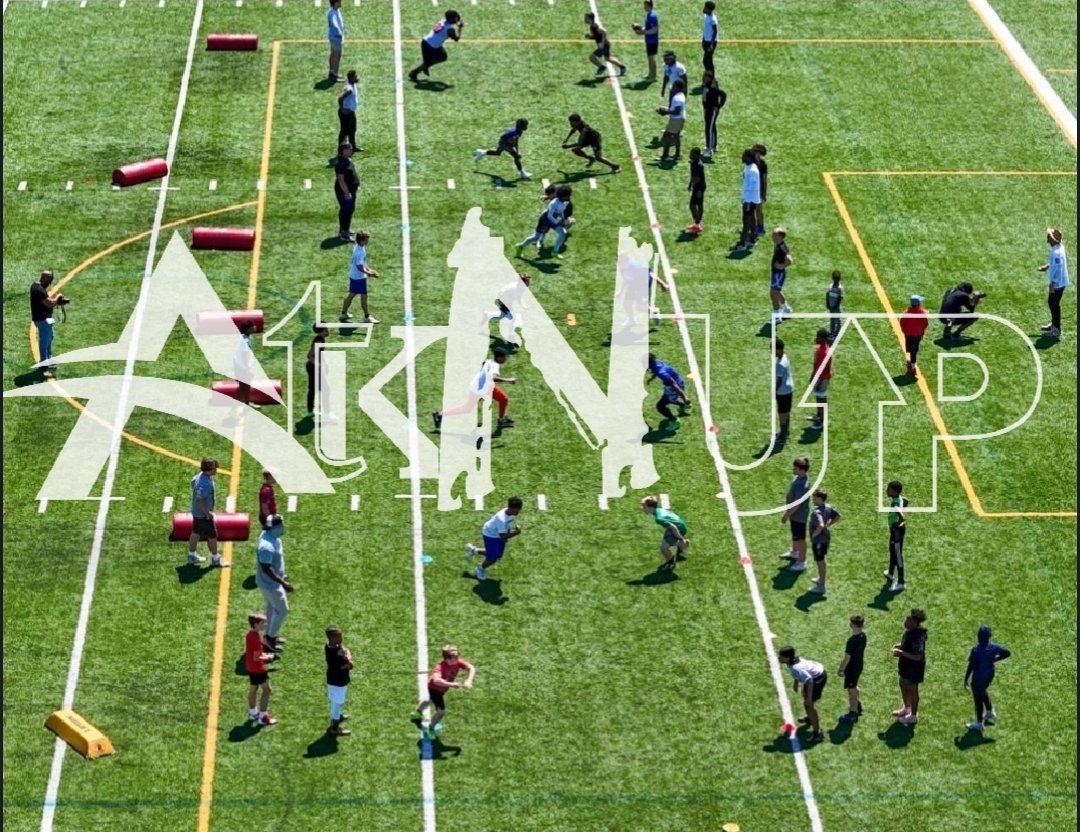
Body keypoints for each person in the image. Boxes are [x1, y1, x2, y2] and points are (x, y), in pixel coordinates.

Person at [433, 348, 517, 431]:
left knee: (503, 399)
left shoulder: (489, 361)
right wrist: (509, 380)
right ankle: (440, 415)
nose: (505, 359)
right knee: (467, 408)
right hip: (480, 388)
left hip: (483, 386)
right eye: (504, 357)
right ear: (499, 358)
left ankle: (501, 419)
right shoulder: (495, 365)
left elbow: (484, 363)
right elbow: (494, 378)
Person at [414, 644, 476, 740]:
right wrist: (452, 684)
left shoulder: (457, 662)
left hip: (442, 689)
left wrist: (469, 680)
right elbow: (436, 681)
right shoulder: (440, 667)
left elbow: (471, 667)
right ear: (448, 658)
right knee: (441, 711)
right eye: (455, 656)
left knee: (430, 700)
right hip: (435, 689)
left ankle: (417, 713)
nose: (457, 657)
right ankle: (430, 728)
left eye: (457, 655)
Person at [964, 624, 1011, 731]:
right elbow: (1007, 653)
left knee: (978, 699)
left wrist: (966, 678)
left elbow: (971, 665)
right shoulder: (994, 647)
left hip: (979, 677)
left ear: (979, 636)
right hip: (989, 675)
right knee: (982, 690)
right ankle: (990, 712)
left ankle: (979, 723)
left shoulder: (976, 649)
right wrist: (995, 660)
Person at [255, 515, 291, 653]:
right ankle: (269, 639)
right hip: (270, 584)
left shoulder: (270, 537)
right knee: (282, 610)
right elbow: (266, 568)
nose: (282, 527)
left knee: (272, 607)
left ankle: (270, 635)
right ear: (274, 528)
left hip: (270, 582)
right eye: (280, 525)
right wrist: (283, 582)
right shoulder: (266, 547)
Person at [465, 496, 524, 581]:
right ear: (510, 508)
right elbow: (502, 536)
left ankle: (473, 550)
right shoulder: (501, 519)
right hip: (490, 534)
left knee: (498, 555)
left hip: (498, 534)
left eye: (519, 509)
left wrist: (512, 531)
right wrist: (515, 532)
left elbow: (506, 527)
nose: (518, 512)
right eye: (517, 510)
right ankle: (480, 568)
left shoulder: (511, 513)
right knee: (493, 557)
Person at [777, 646, 827, 743]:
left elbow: (809, 680)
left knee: (808, 705)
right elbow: (801, 674)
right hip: (816, 673)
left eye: (781, 656)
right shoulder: (793, 660)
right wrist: (796, 682)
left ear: (787, 658)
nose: (779, 658)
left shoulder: (796, 667)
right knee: (806, 699)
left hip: (817, 678)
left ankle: (818, 733)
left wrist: (809, 697)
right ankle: (809, 718)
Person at [188, 457, 228, 568]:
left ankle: (191, 556)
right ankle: (215, 559)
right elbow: (200, 499)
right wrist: (207, 513)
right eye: (215, 468)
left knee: (196, 532)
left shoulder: (200, 476)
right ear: (209, 469)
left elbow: (192, 482)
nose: (217, 470)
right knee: (212, 535)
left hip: (197, 511)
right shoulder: (205, 482)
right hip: (202, 514)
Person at [891, 608, 927, 726]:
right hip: (906, 666)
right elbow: (907, 645)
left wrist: (902, 653)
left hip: (914, 668)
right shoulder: (909, 632)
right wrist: (899, 646)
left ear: (915, 623)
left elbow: (918, 657)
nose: (906, 621)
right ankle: (906, 708)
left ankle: (913, 715)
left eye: (908, 620)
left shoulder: (918, 637)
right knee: (902, 683)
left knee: (912, 689)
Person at [408, 10, 464, 82]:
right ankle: (414, 73)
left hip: (430, 43)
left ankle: (425, 66)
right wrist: (460, 28)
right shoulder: (450, 29)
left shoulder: (443, 21)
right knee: (429, 63)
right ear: (451, 19)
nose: (457, 19)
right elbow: (456, 39)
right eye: (455, 18)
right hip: (430, 46)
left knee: (443, 57)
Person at [517, 185, 572, 257]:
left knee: (563, 233)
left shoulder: (565, 202)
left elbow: (561, 211)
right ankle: (520, 246)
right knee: (535, 237)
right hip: (545, 220)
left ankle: (555, 252)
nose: (569, 197)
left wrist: (563, 219)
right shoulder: (553, 203)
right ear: (562, 196)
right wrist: (557, 222)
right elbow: (549, 216)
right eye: (567, 195)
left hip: (553, 220)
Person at [340, 230, 381, 324]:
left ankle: (343, 313)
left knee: (351, 295)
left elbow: (362, 264)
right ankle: (367, 317)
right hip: (359, 278)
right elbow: (359, 267)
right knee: (363, 297)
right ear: (362, 240)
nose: (368, 241)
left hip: (354, 276)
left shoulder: (359, 247)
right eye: (367, 239)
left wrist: (369, 269)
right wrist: (369, 273)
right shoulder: (360, 252)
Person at [641, 495, 690, 572]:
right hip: (680, 524)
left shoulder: (659, 518)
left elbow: (673, 527)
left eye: (644, 507)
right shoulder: (659, 510)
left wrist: (680, 538)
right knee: (668, 542)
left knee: (664, 548)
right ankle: (683, 544)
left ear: (650, 507)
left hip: (677, 527)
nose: (643, 509)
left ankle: (670, 563)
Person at [245, 613, 278, 726]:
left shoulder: (250, 634)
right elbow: (257, 657)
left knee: (253, 688)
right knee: (267, 690)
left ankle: (252, 713)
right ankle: (263, 717)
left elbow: (255, 653)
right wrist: (269, 657)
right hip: (257, 669)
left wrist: (264, 653)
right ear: (256, 624)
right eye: (263, 623)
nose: (266, 624)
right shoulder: (255, 637)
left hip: (250, 667)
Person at [30, 270, 66, 374]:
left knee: (49, 338)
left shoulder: (35, 286)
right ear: (46, 279)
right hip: (42, 320)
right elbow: (49, 304)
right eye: (49, 281)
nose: (49, 283)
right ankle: (43, 363)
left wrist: (54, 300)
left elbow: (46, 300)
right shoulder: (39, 290)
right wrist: (58, 297)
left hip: (43, 319)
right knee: (44, 341)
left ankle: (48, 360)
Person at [779, 456, 811, 571]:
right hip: (795, 515)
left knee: (800, 539)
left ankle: (802, 562)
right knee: (795, 536)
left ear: (802, 470)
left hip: (799, 516)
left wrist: (786, 515)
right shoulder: (798, 478)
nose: (793, 470)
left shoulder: (802, 485)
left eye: (795, 468)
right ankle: (794, 552)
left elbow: (797, 505)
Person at [807, 488, 840, 595]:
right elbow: (838, 516)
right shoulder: (828, 507)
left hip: (819, 541)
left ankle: (821, 586)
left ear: (819, 498)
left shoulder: (816, 512)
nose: (813, 499)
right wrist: (829, 525)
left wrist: (814, 534)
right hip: (826, 539)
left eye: (814, 497)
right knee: (821, 560)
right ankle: (820, 579)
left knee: (820, 562)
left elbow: (820, 525)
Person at [1037, 227, 1069, 337]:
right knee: (1053, 304)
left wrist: (1053, 284)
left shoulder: (1056, 252)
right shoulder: (1059, 247)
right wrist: (1047, 267)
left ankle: (1056, 329)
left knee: (1053, 304)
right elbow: (1056, 264)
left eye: (1048, 237)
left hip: (1058, 284)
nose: (1047, 239)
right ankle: (1054, 325)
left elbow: (1058, 267)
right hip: (1059, 282)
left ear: (1052, 239)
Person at [647, 353, 691, 429]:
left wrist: (684, 396)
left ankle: (674, 421)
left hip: (673, 388)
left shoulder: (661, 373)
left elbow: (673, 384)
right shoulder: (657, 362)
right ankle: (684, 405)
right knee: (668, 399)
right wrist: (653, 377)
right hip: (679, 380)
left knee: (660, 406)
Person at [324, 625, 353, 737]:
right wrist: (348, 656)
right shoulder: (337, 653)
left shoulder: (329, 646)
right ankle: (334, 728)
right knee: (338, 702)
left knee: (335, 700)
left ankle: (338, 716)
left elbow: (344, 650)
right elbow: (350, 665)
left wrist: (346, 653)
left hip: (332, 679)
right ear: (332, 638)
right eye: (339, 636)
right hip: (338, 681)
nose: (342, 637)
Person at [837, 615, 866, 722]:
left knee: (851, 689)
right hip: (859, 665)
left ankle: (853, 712)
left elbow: (847, 658)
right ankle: (858, 705)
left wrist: (841, 669)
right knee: (854, 685)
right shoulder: (863, 636)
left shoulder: (852, 641)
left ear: (853, 625)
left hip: (852, 668)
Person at [584, 12, 627, 77]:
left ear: (590, 19)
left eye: (586, 18)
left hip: (603, 45)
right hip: (606, 44)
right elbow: (597, 36)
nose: (584, 19)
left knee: (592, 57)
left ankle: (602, 67)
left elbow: (604, 32)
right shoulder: (593, 26)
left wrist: (601, 42)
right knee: (608, 59)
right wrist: (590, 37)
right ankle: (622, 67)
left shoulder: (593, 26)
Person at [884, 479, 908, 591]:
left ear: (894, 491)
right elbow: (906, 501)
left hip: (897, 532)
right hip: (895, 531)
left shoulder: (894, 503)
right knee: (892, 550)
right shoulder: (898, 498)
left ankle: (901, 582)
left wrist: (896, 525)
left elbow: (902, 517)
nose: (886, 490)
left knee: (898, 555)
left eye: (889, 489)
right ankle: (890, 573)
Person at [333, 142, 359, 242]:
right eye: (349, 149)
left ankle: (345, 230)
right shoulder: (341, 163)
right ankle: (344, 234)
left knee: (349, 210)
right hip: (345, 191)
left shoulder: (347, 159)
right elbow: (341, 180)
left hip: (351, 189)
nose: (351, 151)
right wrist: (346, 192)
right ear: (343, 151)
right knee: (346, 210)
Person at [655, 79, 686, 163]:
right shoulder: (681, 95)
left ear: (676, 87)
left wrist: (666, 111)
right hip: (681, 118)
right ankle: (677, 154)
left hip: (676, 119)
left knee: (666, 136)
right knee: (676, 136)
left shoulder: (677, 98)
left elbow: (677, 111)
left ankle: (665, 156)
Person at [735, 148, 760, 251]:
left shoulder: (752, 170)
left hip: (749, 200)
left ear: (749, 158)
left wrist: (747, 201)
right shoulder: (748, 167)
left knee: (746, 221)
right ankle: (752, 239)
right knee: (752, 219)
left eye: (744, 156)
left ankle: (743, 242)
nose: (742, 158)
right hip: (749, 199)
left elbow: (752, 188)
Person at [900, 294, 929, 378]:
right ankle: (912, 367)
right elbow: (925, 323)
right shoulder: (922, 313)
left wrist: (905, 331)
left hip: (908, 334)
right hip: (918, 334)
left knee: (911, 349)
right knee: (914, 351)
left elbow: (902, 323)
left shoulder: (906, 313)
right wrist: (922, 331)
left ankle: (912, 367)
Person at [769, 227, 793, 326]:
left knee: (773, 293)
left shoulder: (781, 248)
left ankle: (776, 315)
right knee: (776, 292)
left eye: (774, 234)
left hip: (778, 274)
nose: (772, 236)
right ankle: (786, 309)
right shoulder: (779, 245)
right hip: (777, 273)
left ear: (779, 236)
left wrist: (781, 266)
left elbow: (790, 260)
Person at [305, 324, 330, 418]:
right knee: (323, 390)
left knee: (316, 390)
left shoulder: (320, 339)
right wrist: (318, 365)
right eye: (326, 328)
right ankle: (326, 413)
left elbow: (319, 353)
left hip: (314, 367)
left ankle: (310, 411)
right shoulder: (319, 340)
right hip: (313, 368)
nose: (328, 330)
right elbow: (310, 355)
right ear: (323, 330)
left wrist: (325, 363)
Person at [808, 328, 831, 430]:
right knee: (819, 397)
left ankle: (821, 420)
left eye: (818, 337)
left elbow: (822, 368)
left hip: (822, 379)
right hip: (820, 377)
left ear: (822, 339)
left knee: (821, 398)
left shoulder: (823, 352)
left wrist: (817, 381)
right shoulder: (821, 349)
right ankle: (819, 416)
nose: (816, 338)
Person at [700, 71, 726, 160]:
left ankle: (709, 149)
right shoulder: (707, 85)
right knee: (711, 127)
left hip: (711, 110)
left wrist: (719, 106)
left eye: (705, 77)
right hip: (707, 110)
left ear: (709, 78)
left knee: (709, 129)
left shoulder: (712, 87)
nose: (703, 78)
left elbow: (723, 94)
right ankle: (713, 145)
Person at [632, 0, 660, 79]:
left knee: (652, 58)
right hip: (649, 40)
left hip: (652, 41)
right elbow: (649, 28)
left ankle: (653, 76)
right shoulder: (649, 15)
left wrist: (642, 33)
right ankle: (650, 74)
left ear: (649, 6)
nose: (644, 7)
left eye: (645, 6)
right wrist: (640, 28)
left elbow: (654, 30)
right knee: (650, 58)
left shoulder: (652, 16)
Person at [773, 338, 794, 444]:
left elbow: (779, 380)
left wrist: (774, 391)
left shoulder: (780, 364)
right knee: (786, 412)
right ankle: (785, 432)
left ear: (779, 349)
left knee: (782, 414)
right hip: (788, 389)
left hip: (783, 391)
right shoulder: (784, 357)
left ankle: (783, 436)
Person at [233, 320, 257, 407]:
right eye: (253, 326)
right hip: (242, 366)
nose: (255, 327)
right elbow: (244, 356)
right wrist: (248, 369)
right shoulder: (245, 340)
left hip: (239, 365)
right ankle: (245, 403)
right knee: (245, 385)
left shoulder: (245, 337)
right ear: (248, 329)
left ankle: (245, 402)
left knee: (245, 385)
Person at [337, 69, 360, 154]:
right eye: (355, 77)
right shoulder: (349, 89)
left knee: (353, 129)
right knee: (344, 131)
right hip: (346, 113)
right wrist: (342, 109)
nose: (357, 78)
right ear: (351, 78)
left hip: (351, 112)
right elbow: (340, 98)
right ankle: (341, 150)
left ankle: (353, 147)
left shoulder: (353, 85)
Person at [686, 147, 706, 234]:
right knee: (693, 205)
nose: (690, 155)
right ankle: (696, 222)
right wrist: (690, 185)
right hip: (696, 186)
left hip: (699, 187)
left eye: (692, 153)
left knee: (697, 205)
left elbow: (699, 178)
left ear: (697, 155)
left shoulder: (698, 165)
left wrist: (699, 190)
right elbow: (692, 176)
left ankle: (697, 224)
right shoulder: (693, 163)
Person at [752, 144, 768, 237]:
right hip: (752, 190)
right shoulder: (751, 163)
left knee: (759, 210)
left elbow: (765, 179)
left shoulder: (763, 164)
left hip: (759, 189)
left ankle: (760, 226)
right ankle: (754, 226)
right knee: (752, 210)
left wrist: (764, 193)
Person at [326, 0, 344, 82]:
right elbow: (335, 23)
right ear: (336, 3)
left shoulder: (334, 11)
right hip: (336, 37)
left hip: (333, 36)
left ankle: (332, 72)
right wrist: (339, 33)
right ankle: (335, 75)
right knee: (337, 55)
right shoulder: (333, 13)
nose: (341, 2)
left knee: (333, 53)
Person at [701, 1, 719, 75]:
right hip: (706, 41)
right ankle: (709, 75)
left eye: (705, 8)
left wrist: (711, 44)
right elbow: (706, 29)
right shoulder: (706, 16)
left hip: (710, 42)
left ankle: (711, 76)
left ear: (709, 9)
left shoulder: (713, 19)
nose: (704, 9)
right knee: (706, 60)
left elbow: (715, 32)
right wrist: (703, 39)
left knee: (707, 60)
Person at [825, 271, 843, 341]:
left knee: (837, 319)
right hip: (831, 306)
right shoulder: (830, 286)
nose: (835, 280)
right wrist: (828, 304)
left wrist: (835, 306)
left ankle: (837, 332)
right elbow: (827, 294)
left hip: (836, 307)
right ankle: (832, 333)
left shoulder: (839, 288)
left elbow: (839, 298)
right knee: (832, 319)